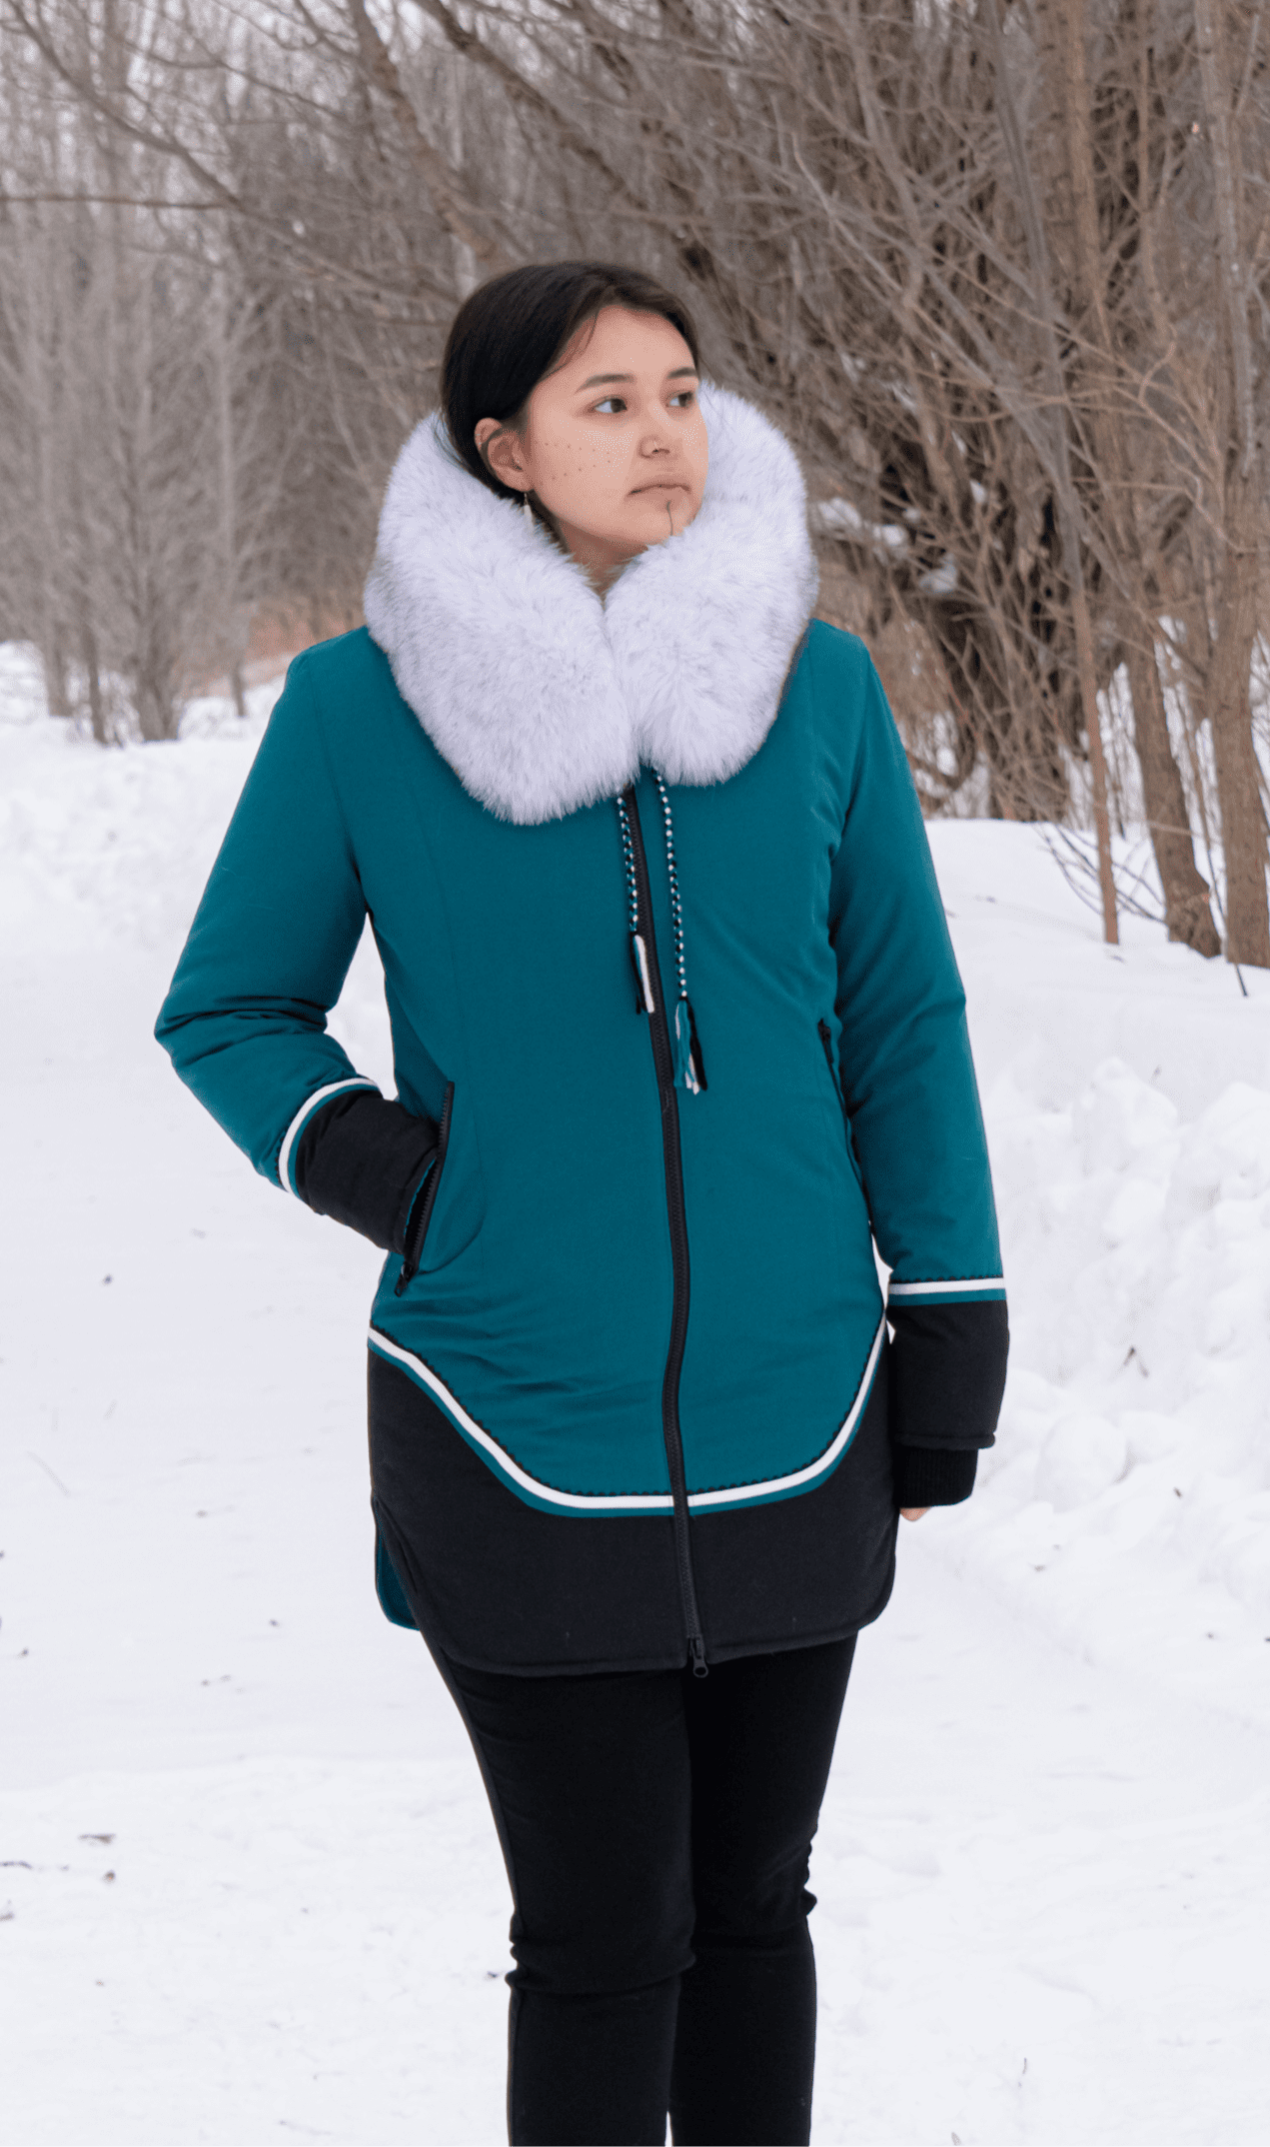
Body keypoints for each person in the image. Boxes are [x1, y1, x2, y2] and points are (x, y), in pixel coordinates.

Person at [156, 260, 1008, 2147]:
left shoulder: (818, 686)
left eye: (680, 391)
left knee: (755, 1907)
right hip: (506, 1410)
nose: (660, 433)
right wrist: (391, 1171)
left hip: (800, 1399)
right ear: (503, 449)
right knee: (606, 1931)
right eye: (605, 401)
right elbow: (226, 1007)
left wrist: (948, 1318)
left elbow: (900, 1015)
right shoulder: (359, 708)